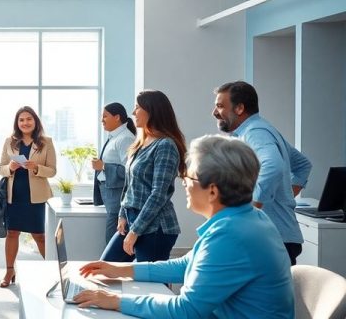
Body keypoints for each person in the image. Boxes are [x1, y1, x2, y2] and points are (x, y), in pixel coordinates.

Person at [74, 135, 295, 318]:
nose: (184, 184)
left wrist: (116, 301)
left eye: (189, 177)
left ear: (212, 191)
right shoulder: (250, 218)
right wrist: (120, 270)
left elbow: (186, 310)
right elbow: (185, 265)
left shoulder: (231, 234)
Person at [213, 80, 311, 265]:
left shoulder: (255, 132)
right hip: (276, 235)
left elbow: (273, 165)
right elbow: (302, 164)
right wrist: (286, 193)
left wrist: (252, 206)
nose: (215, 112)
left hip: (270, 237)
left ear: (239, 108)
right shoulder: (261, 129)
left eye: (220, 106)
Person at [101, 90, 185, 263]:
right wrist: (122, 215)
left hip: (155, 227)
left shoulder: (165, 145)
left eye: (137, 107)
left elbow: (158, 194)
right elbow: (129, 185)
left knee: (148, 279)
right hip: (131, 220)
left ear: (152, 111)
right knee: (105, 267)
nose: (133, 113)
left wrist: (135, 231)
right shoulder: (140, 143)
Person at [0, 106, 56, 288]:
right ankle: (9, 271)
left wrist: (36, 167)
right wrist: (10, 168)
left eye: (29, 119)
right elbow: (0, 168)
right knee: (12, 233)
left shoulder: (46, 142)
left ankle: (55, 272)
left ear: (35, 121)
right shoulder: (9, 141)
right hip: (14, 196)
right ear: (17, 123)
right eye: (21, 120)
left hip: (35, 198)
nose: (25, 123)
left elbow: (52, 171)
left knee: (40, 236)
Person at [91, 103, 136, 243]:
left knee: (112, 238)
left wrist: (103, 166)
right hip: (110, 196)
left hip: (117, 197)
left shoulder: (125, 138)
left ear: (117, 117)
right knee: (112, 236)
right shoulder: (114, 137)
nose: (102, 120)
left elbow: (130, 171)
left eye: (105, 116)